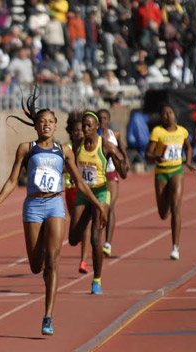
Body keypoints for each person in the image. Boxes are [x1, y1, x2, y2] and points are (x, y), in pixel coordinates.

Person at [0, 90, 107, 336]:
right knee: (35, 265)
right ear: (36, 126)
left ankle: (48, 316)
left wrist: (98, 204)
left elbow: (80, 182)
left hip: (55, 205)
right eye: (42, 122)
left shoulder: (65, 150)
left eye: (51, 122)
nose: (47, 125)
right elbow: (11, 181)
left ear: (56, 125)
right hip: (33, 206)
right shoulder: (26, 149)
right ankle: (44, 274)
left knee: (53, 262)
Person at [68, 111, 128, 295]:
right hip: (83, 194)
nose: (84, 130)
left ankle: (96, 280)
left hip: (101, 192)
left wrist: (119, 161)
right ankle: (85, 220)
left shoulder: (106, 146)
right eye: (82, 126)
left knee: (95, 238)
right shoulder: (77, 145)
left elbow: (124, 173)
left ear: (96, 127)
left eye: (88, 126)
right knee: (72, 239)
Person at [145, 104, 194, 260]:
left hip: (176, 170)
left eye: (170, 112)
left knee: (176, 206)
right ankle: (174, 244)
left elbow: (188, 147)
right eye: (164, 114)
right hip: (161, 173)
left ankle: (175, 248)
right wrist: (155, 158)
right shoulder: (157, 132)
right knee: (163, 213)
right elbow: (148, 154)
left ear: (175, 115)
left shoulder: (182, 131)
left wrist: (188, 161)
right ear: (161, 117)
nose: (168, 116)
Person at [97, 109, 129, 257]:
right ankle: (96, 238)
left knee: (110, 206)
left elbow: (122, 150)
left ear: (108, 120)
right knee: (98, 210)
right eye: (100, 118)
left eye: (104, 118)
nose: (102, 120)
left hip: (111, 173)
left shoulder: (114, 134)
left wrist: (126, 163)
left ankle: (108, 244)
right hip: (97, 175)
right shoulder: (92, 135)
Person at [64, 112, 91, 274]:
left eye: (81, 129)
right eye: (75, 130)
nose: (79, 132)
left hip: (86, 189)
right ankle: (84, 244)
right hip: (70, 190)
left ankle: (83, 261)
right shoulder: (65, 147)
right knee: (76, 228)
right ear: (71, 131)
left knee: (86, 224)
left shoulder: (89, 146)